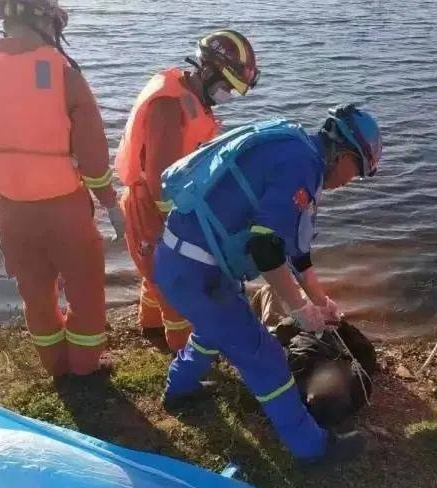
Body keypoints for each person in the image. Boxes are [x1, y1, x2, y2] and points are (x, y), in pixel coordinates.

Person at [152, 104, 382, 462]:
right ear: (344, 153)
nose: (352, 180)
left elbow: (297, 253)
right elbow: (265, 247)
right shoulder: (302, 166)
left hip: (187, 262)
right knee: (265, 357)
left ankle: (179, 388)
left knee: (216, 329)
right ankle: (313, 448)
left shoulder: (297, 151)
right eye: (358, 170)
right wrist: (298, 309)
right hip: (196, 271)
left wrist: (321, 303)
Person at [0, 0, 125, 378]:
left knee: (35, 293)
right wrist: (112, 204)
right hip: (64, 208)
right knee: (85, 291)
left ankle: (54, 367)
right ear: (47, 18)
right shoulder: (63, 73)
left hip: (11, 209)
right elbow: (93, 155)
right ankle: (84, 369)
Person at [116, 30, 259, 352]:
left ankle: (151, 330)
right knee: (174, 283)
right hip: (149, 204)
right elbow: (159, 176)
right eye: (225, 87)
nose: (227, 96)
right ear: (207, 71)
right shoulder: (169, 105)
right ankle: (185, 356)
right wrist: (183, 228)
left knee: (154, 274)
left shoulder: (191, 99)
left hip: (161, 201)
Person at [251, 285, 378, 427]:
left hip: (294, 336)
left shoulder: (293, 375)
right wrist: (338, 323)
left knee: (270, 293)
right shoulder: (359, 386)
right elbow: (367, 352)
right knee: (307, 297)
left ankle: (260, 301)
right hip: (321, 336)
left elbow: (277, 337)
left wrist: (297, 322)